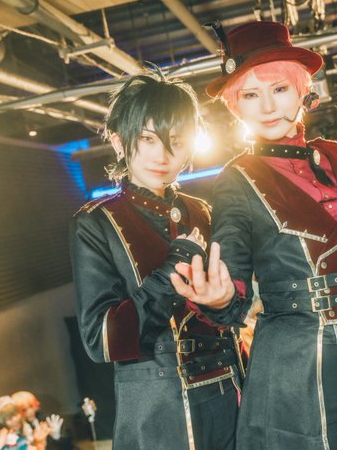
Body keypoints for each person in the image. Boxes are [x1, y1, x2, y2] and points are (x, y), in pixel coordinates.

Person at [172, 20, 337, 450]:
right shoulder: (236, 179)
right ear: (236, 106)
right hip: (296, 362)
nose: (267, 106)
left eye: (278, 89)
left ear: (301, 90)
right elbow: (233, 275)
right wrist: (220, 297)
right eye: (250, 95)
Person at [69, 73, 241, 450]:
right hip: (156, 407)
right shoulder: (97, 222)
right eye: (148, 139)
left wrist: (226, 302)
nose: (162, 155)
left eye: (175, 142)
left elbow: (235, 311)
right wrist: (172, 271)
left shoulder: (203, 211)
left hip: (228, 390)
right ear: (119, 141)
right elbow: (100, 340)